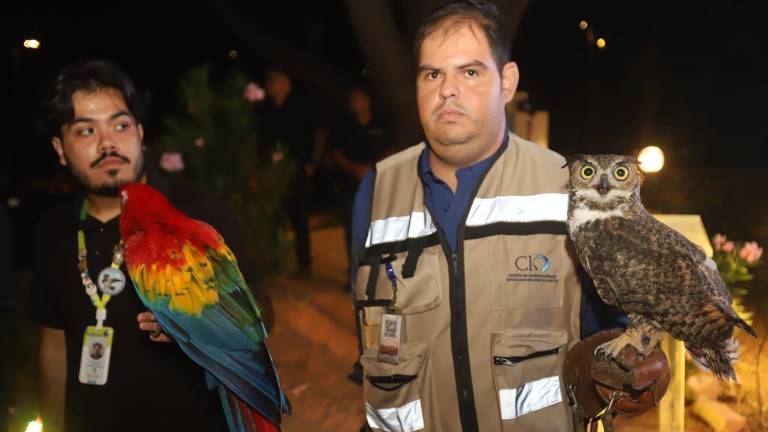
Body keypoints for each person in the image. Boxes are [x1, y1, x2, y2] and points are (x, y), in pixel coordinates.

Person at [350, 1, 669, 431]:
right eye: (432, 74)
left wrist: (619, 368)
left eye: (470, 71)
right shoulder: (375, 193)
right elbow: (374, 346)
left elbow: (613, 331)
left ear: (507, 82)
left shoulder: (571, 192)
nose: (447, 90)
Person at [33, 60, 273, 432]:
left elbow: (260, 314)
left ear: (141, 133)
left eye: (121, 124)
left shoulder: (198, 214)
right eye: (85, 130)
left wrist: (191, 328)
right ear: (59, 149)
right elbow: (53, 343)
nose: (108, 142)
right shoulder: (51, 230)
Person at [261, 67, 326, 276]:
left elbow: (319, 132)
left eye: (274, 80)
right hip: (273, 170)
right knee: (274, 217)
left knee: (298, 216)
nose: (269, 84)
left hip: (297, 167)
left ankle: (304, 263)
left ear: (285, 83)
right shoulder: (266, 108)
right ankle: (276, 262)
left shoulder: (301, 104)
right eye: (268, 80)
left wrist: (313, 162)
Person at [330, 84, 394, 288]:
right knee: (353, 230)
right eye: (352, 98)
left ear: (368, 100)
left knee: (381, 228)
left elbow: (392, 149)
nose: (355, 102)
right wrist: (353, 168)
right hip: (351, 185)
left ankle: (382, 274)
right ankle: (356, 275)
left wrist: (373, 169)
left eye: (359, 97)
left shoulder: (382, 123)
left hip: (379, 184)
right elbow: (337, 152)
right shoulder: (345, 125)